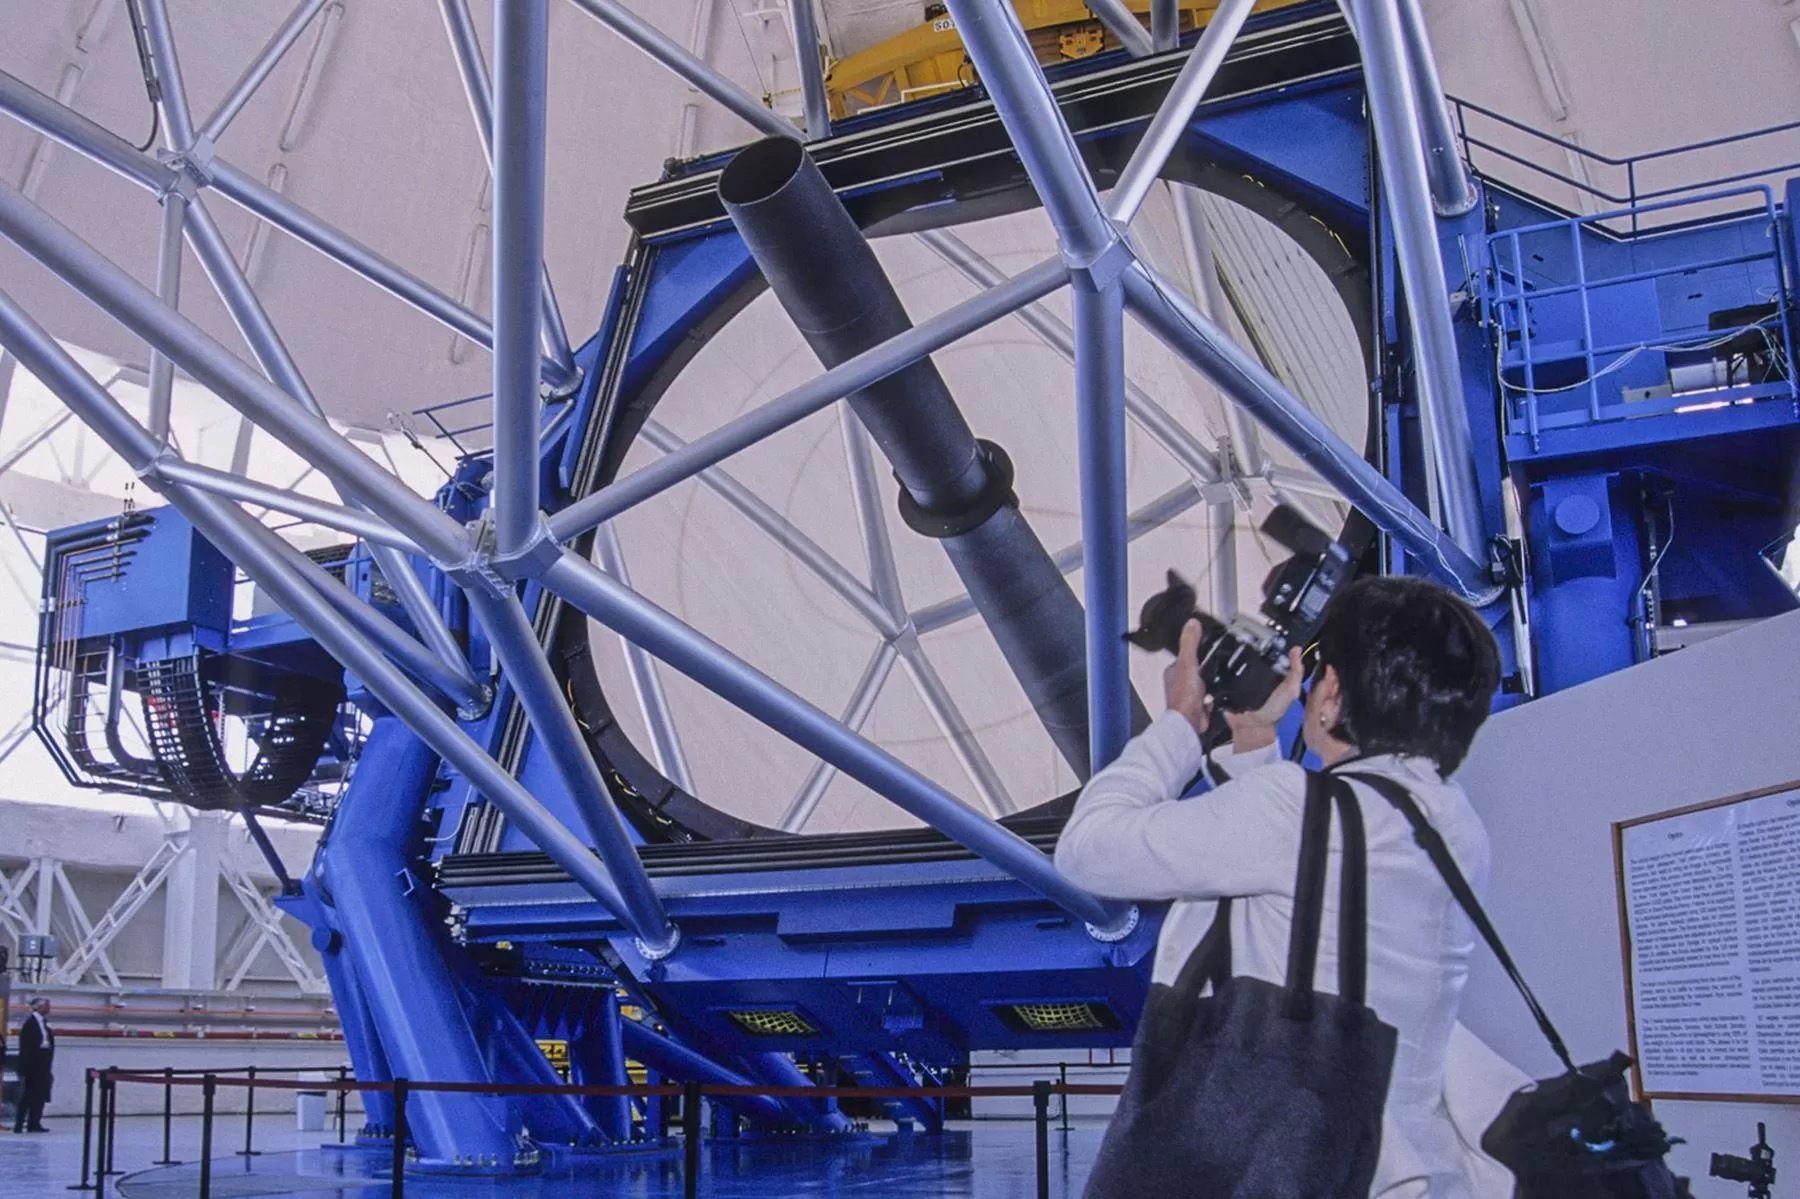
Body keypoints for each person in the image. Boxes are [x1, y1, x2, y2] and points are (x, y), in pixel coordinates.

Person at [1056, 575, 1522, 1199]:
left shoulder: (1295, 813)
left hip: (1287, 1164)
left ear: (1332, 695)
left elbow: (1087, 849)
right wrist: (1254, 739)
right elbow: (1314, 896)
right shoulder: (1453, 822)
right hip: (1394, 1161)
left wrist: (1177, 727)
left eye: (1320, 673)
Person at [13, 997, 53, 1133]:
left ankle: (34, 1122)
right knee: (28, 1095)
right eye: (46, 1005)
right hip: (33, 1065)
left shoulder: (44, 1024)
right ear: (39, 1007)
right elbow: (26, 1048)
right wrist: (26, 1068)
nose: (49, 1008)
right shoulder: (30, 1024)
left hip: (43, 1063)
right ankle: (19, 1123)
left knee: (40, 1095)